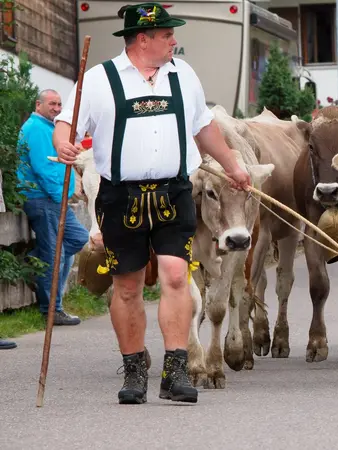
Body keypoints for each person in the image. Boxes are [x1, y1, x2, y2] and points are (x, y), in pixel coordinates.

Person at [54, 2, 251, 405]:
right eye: (167, 35)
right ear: (143, 39)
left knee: (176, 276)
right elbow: (65, 127)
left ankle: (175, 370)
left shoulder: (183, 75)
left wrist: (233, 165)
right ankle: (133, 371)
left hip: (174, 192)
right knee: (126, 287)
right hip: (119, 196)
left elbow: (204, 128)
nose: (174, 41)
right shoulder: (98, 80)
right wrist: (65, 145)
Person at [17, 89, 88, 326]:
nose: (57, 108)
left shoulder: (48, 128)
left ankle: (36, 261)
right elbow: (43, 167)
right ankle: (51, 309)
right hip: (44, 198)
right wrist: (60, 196)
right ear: (38, 105)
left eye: (59, 104)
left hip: (54, 199)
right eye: (52, 104)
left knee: (76, 239)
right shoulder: (36, 128)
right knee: (53, 254)